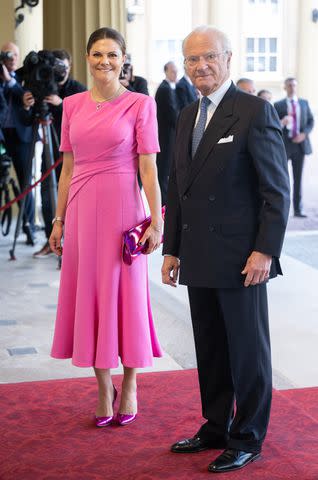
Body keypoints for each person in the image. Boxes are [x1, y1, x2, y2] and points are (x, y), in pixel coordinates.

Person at [162, 26, 290, 474]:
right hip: (197, 254)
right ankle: (216, 425)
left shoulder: (254, 111)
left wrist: (265, 251)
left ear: (228, 59)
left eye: (209, 58)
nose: (201, 67)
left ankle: (247, 436)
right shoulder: (184, 116)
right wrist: (171, 249)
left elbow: (277, 191)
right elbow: (177, 187)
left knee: (248, 352)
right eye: (193, 59)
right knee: (211, 348)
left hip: (242, 259)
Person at [49, 27, 163, 427]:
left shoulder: (140, 104)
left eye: (112, 55)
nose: (104, 62)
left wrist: (157, 220)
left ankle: (130, 383)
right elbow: (67, 169)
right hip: (80, 211)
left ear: (123, 58)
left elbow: (148, 168)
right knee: (90, 296)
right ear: (87, 57)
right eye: (97, 54)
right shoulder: (71, 105)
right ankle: (102, 386)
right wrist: (59, 219)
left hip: (123, 212)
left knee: (125, 296)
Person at [30, 49, 86, 258]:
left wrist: (62, 104)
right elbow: (29, 119)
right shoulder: (43, 86)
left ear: (69, 67)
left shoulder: (78, 89)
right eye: (55, 67)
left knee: (72, 197)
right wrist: (30, 105)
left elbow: (87, 117)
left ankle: (71, 242)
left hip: (75, 154)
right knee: (47, 193)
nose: (58, 71)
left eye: (62, 66)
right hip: (50, 151)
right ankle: (50, 238)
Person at [1, 41, 36, 244]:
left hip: (22, 137)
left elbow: (29, 100)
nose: (12, 58)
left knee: (25, 183)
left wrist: (11, 83)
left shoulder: (26, 77)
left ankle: (28, 225)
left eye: (15, 55)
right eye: (8, 54)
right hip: (2, 138)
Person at [274, 77, 314, 217]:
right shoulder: (278, 105)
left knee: (298, 178)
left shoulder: (304, 103)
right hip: (284, 145)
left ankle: (298, 210)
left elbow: (310, 121)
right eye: (289, 85)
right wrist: (282, 122)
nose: (292, 87)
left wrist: (304, 134)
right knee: (281, 179)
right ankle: (282, 209)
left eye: (294, 85)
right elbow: (273, 125)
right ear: (285, 87)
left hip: (299, 145)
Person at [155, 61, 179, 205]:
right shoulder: (165, 89)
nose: (175, 74)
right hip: (166, 137)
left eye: (176, 71)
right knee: (164, 172)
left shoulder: (167, 88)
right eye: (172, 71)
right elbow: (172, 115)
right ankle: (164, 204)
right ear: (166, 71)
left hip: (167, 136)